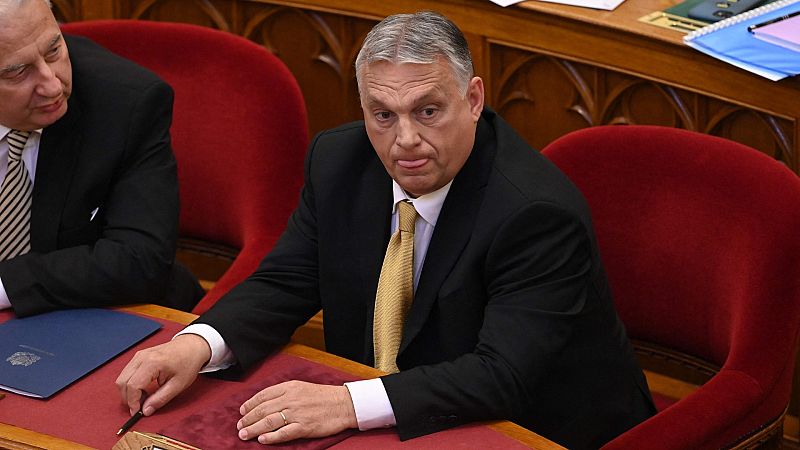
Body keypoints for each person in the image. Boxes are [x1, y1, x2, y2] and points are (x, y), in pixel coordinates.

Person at [117, 11, 655, 449]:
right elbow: (287, 281)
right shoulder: (339, 162)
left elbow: (502, 375)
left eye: (428, 111)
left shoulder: (534, 214)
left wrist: (346, 403)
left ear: (473, 100)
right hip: (402, 416)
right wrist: (196, 345)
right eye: (383, 115)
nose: (406, 140)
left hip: (534, 429)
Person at [0, 0, 203, 317]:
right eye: (18, 72)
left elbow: (140, 260)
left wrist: (6, 285)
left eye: (54, 50)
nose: (52, 85)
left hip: (115, 314)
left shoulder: (125, 103)